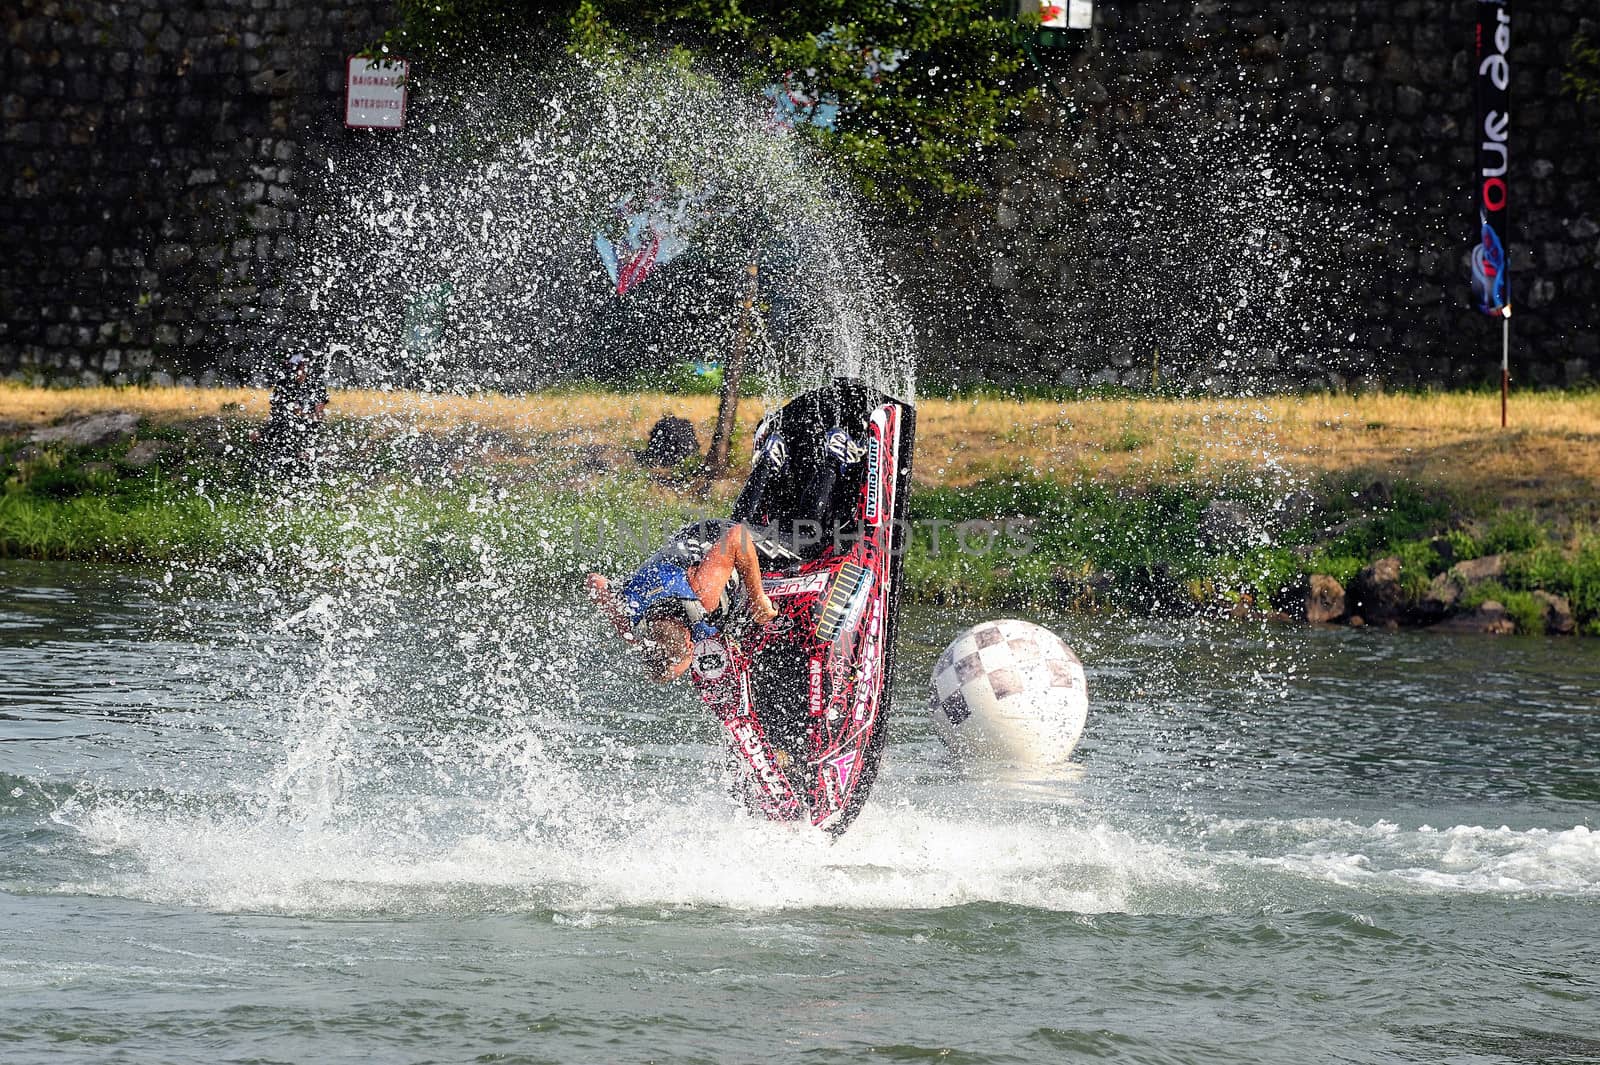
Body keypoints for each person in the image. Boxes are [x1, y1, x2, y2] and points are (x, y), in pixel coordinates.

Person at [587, 519, 783, 682]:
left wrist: (758, 598)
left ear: (690, 647)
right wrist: (621, 624)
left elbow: (738, 536)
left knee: (808, 546)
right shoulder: (630, 616)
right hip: (687, 542)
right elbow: (594, 582)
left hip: (719, 534)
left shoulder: (702, 597)